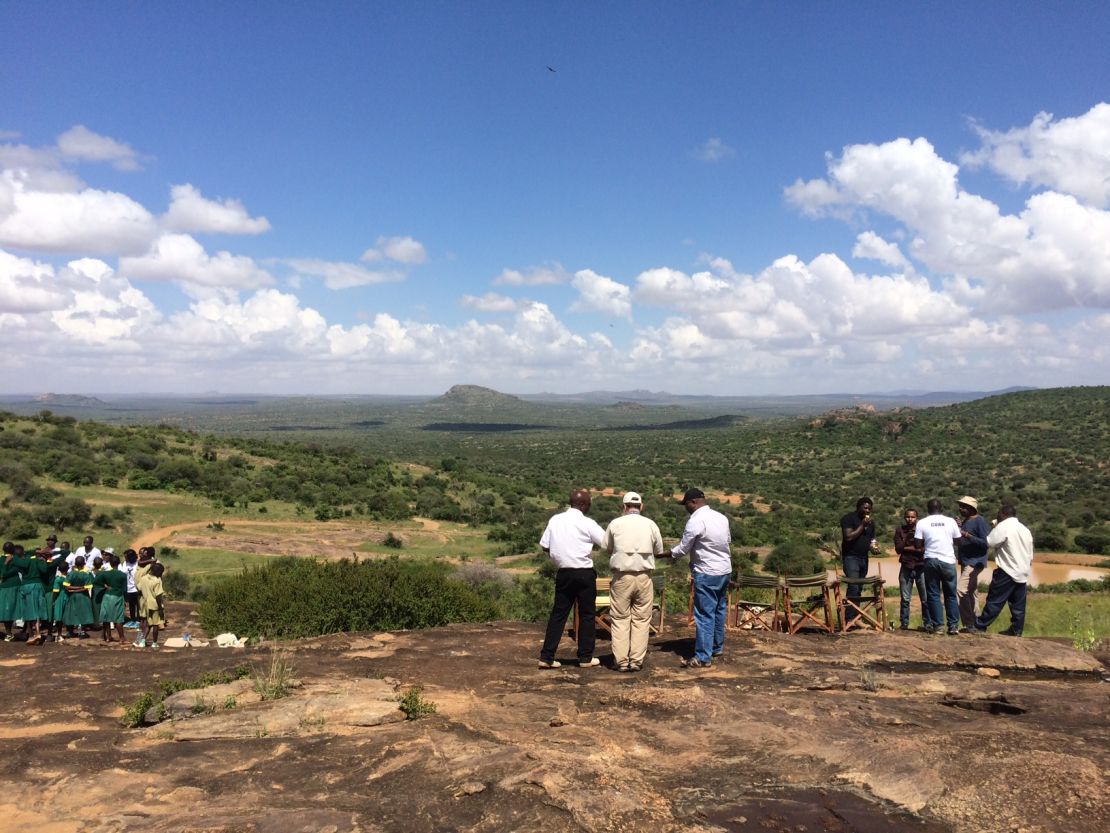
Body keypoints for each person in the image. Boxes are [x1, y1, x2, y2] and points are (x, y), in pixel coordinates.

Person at [537, 489, 605, 669]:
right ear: (583, 505)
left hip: (564, 572)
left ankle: (547, 656)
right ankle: (585, 657)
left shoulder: (555, 520)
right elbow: (606, 542)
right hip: (584, 572)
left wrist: (557, 555)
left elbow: (545, 546)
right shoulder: (587, 522)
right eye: (589, 504)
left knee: (558, 614)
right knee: (587, 615)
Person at [670, 488, 732, 669]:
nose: (686, 508)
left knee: (705, 614)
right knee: (719, 609)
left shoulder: (695, 520)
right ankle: (716, 647)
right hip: (724, 569)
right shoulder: (722, 518)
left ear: (693, 502)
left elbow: (683, 548)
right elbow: (726, 541)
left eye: (686, 505)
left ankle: (703, 657)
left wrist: (666, 554)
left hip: (706, 571)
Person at [602, 491, 664, 672]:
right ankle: (636, 660)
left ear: (624, 506)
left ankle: (621, 661)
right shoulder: (651, 524)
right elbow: (658, 549)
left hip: (622, 577)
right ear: (641, 506)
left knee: (620, 619)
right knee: (641, 619)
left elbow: (607, 548)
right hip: (644, 577)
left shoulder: (616, 523)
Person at [973, 505, 1034, 636]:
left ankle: (980, 625)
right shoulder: (1025, 529)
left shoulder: (1004, 526)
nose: (997, 516)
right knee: (1018, 603)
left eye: (998, 514)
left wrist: (995, 527)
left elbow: (990, 542)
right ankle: (1016, 630)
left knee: (995, 600)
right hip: (1022, 570)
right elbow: (1030, 552)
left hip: (1007, 569)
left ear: (1003, 514)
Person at [915, 499, 962, 635]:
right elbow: (959, 541)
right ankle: (953, 626)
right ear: (941, 508)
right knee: (951, 595)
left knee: (933, 594)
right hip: (948, 560)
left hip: (931, 560)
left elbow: (918, 544)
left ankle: (939, 626)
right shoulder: (951, 521)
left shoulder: (922, 522)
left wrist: (929, 546)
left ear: (928, 509)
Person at [840, 497, 880, 627]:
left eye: (869, 508)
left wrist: (874, 548)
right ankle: (849, 620)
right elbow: (849, 537)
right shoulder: (848, 519)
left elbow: (871, 539)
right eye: (865, 507)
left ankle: (855, 618)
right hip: (851, 558)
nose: (867, 510)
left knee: (859, 589)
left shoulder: (871, 523)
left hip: (864, 558)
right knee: (853, 586)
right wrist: (862, 525)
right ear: (858, 507)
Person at [955, 496, 990, 630]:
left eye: (963, 506)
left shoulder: (979, 521)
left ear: (971, 508)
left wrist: (966, 535)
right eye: (960, 506)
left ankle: (969, 624)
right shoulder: (966, 521)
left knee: (961, 590)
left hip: (974, 562)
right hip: (967, 561)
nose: (960, 508)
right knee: (971, 592)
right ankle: (977, 623)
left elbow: (985, 543)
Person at [894, 508, 931, 631]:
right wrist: (907, 539)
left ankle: (928, 624)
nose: (910, 519)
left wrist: (909, 548)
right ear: (905, 517)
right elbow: (898, 549)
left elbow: (924, 549)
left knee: (925, 599)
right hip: (906, 566)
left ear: (917, 518)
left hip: (921, 567)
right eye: (908, 517)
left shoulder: (923, 530)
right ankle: (904, 624)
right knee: (905, 598)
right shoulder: (900, 530)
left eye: (913, 517)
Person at [93, 554, 128, 645]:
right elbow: (125, 590)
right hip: (117, 596)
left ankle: (108, 637)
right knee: (118, 619)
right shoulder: (122, 575)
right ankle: (122, 638)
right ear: (119, 563)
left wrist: (105, 585)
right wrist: (126, 600)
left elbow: (95, 581)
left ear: (110, 563)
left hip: (107, 596)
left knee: (106, 618)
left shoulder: (105, 573)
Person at [61, 555, 95, 638]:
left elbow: (66, 586)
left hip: (73, 596)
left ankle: (70, 632)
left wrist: (73, 590)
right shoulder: (86, 574)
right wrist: (80, 588)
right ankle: (82, 632)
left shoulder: (71, 574)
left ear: (75, 564)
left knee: (71, 613)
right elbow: (87, 587)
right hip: (83, 596)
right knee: (83, 613)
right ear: (84, 564)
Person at [137, 562, 167, 649]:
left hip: (146, 604)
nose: (161, 574)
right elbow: (158, 596)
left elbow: (139, 589)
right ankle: (154, 643)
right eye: (161, 572)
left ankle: (142, 641)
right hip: (155, 605)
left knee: (148, 625)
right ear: (157, 572)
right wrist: (160, 609)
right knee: (156, 625)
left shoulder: (143, 578)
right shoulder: (157, 581)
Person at [0, 542, 22, 642]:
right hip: (14, 586)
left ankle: (9, 633)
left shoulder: (0, 559)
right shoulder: (15, 559)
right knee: (13, 609)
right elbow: (4, 574)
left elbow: (3, 575)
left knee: (6, 610)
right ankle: (9, 633)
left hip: (4, 587)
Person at [122, 549, 141, 626]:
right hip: (128, 588)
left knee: (138, 605)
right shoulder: (125, 563)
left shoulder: (137, 564)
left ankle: (139, 619)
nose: (125, 559)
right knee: (131, 605)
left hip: (136, 588)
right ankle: (133, 619)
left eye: (126, 557)